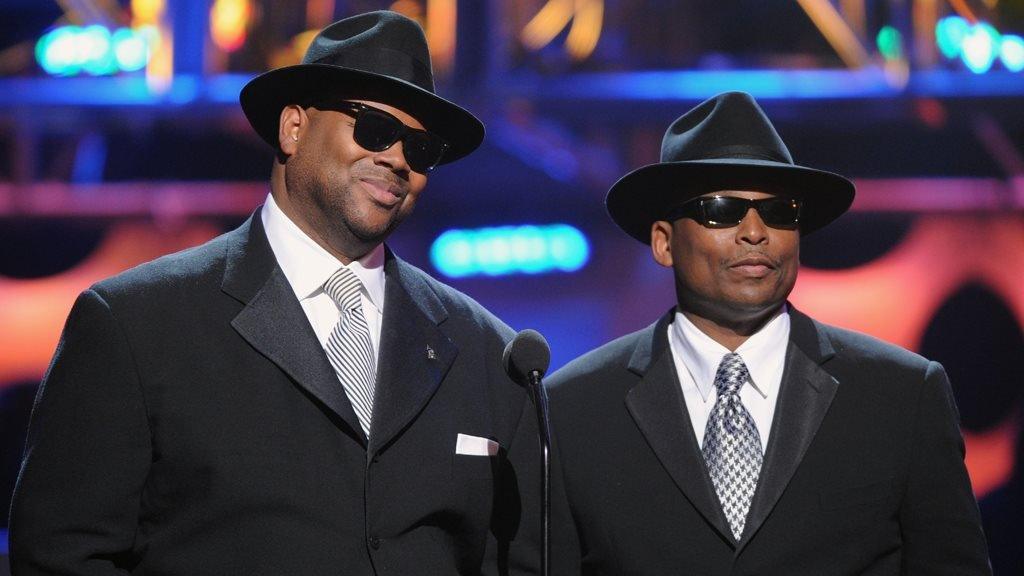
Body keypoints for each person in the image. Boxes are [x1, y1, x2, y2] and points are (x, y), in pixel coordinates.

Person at [10, 11, 539, 575]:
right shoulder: (135, 326)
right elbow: (60, 557)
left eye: (422, 149)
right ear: (293, 128)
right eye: (375, 129)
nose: (397, 159)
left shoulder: (492, 355)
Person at [546, 92, 991, 575]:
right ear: (664, 241)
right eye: (721, 209)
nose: (755, 231)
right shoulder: (574, 408)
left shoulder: (902, 395)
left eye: (779, 212)